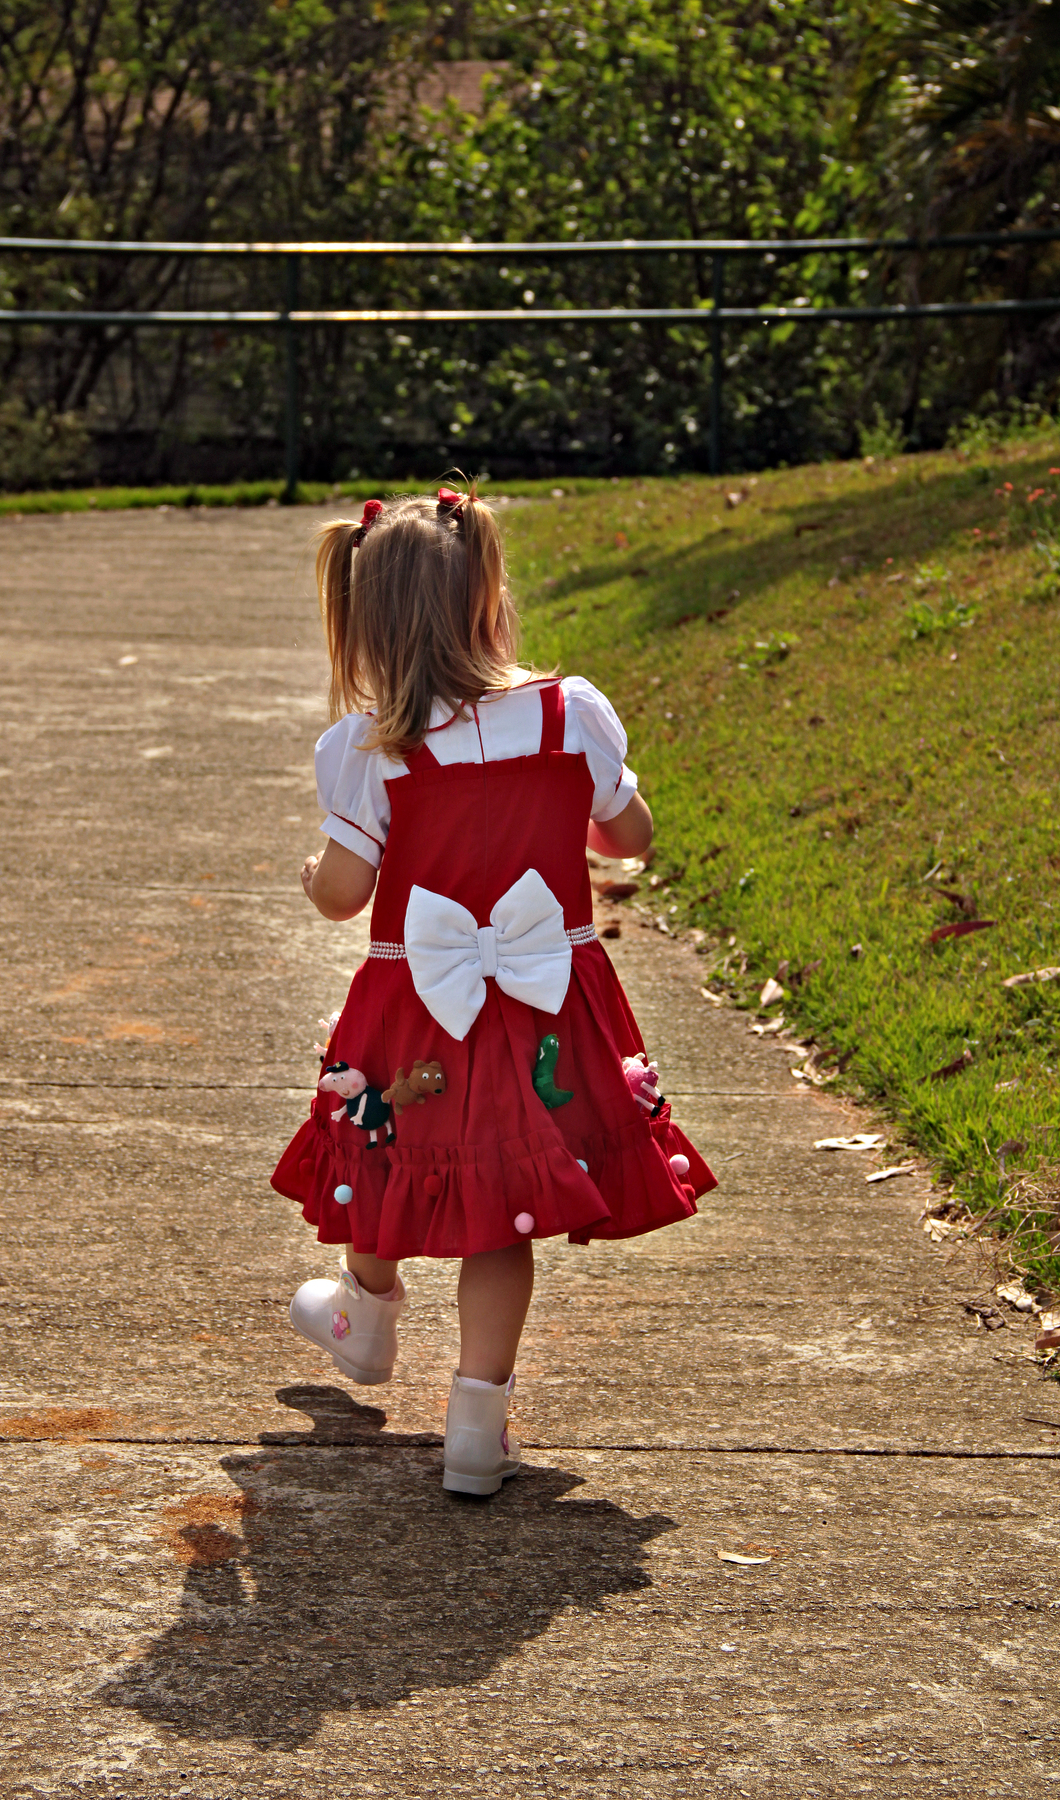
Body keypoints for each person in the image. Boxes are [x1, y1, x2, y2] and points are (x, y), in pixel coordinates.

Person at [272, 484, 716, 1495]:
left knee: (389, 1158)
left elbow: (343, 895)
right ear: (491, 596)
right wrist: (589, 816)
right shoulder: (571, 713)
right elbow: (629, 836)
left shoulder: (365, 748)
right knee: (503, 1211)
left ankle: (361, 1321)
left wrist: (313, 873)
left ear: (366, 622)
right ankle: (477, 1424)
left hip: (414, 1008)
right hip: (548, 1002)